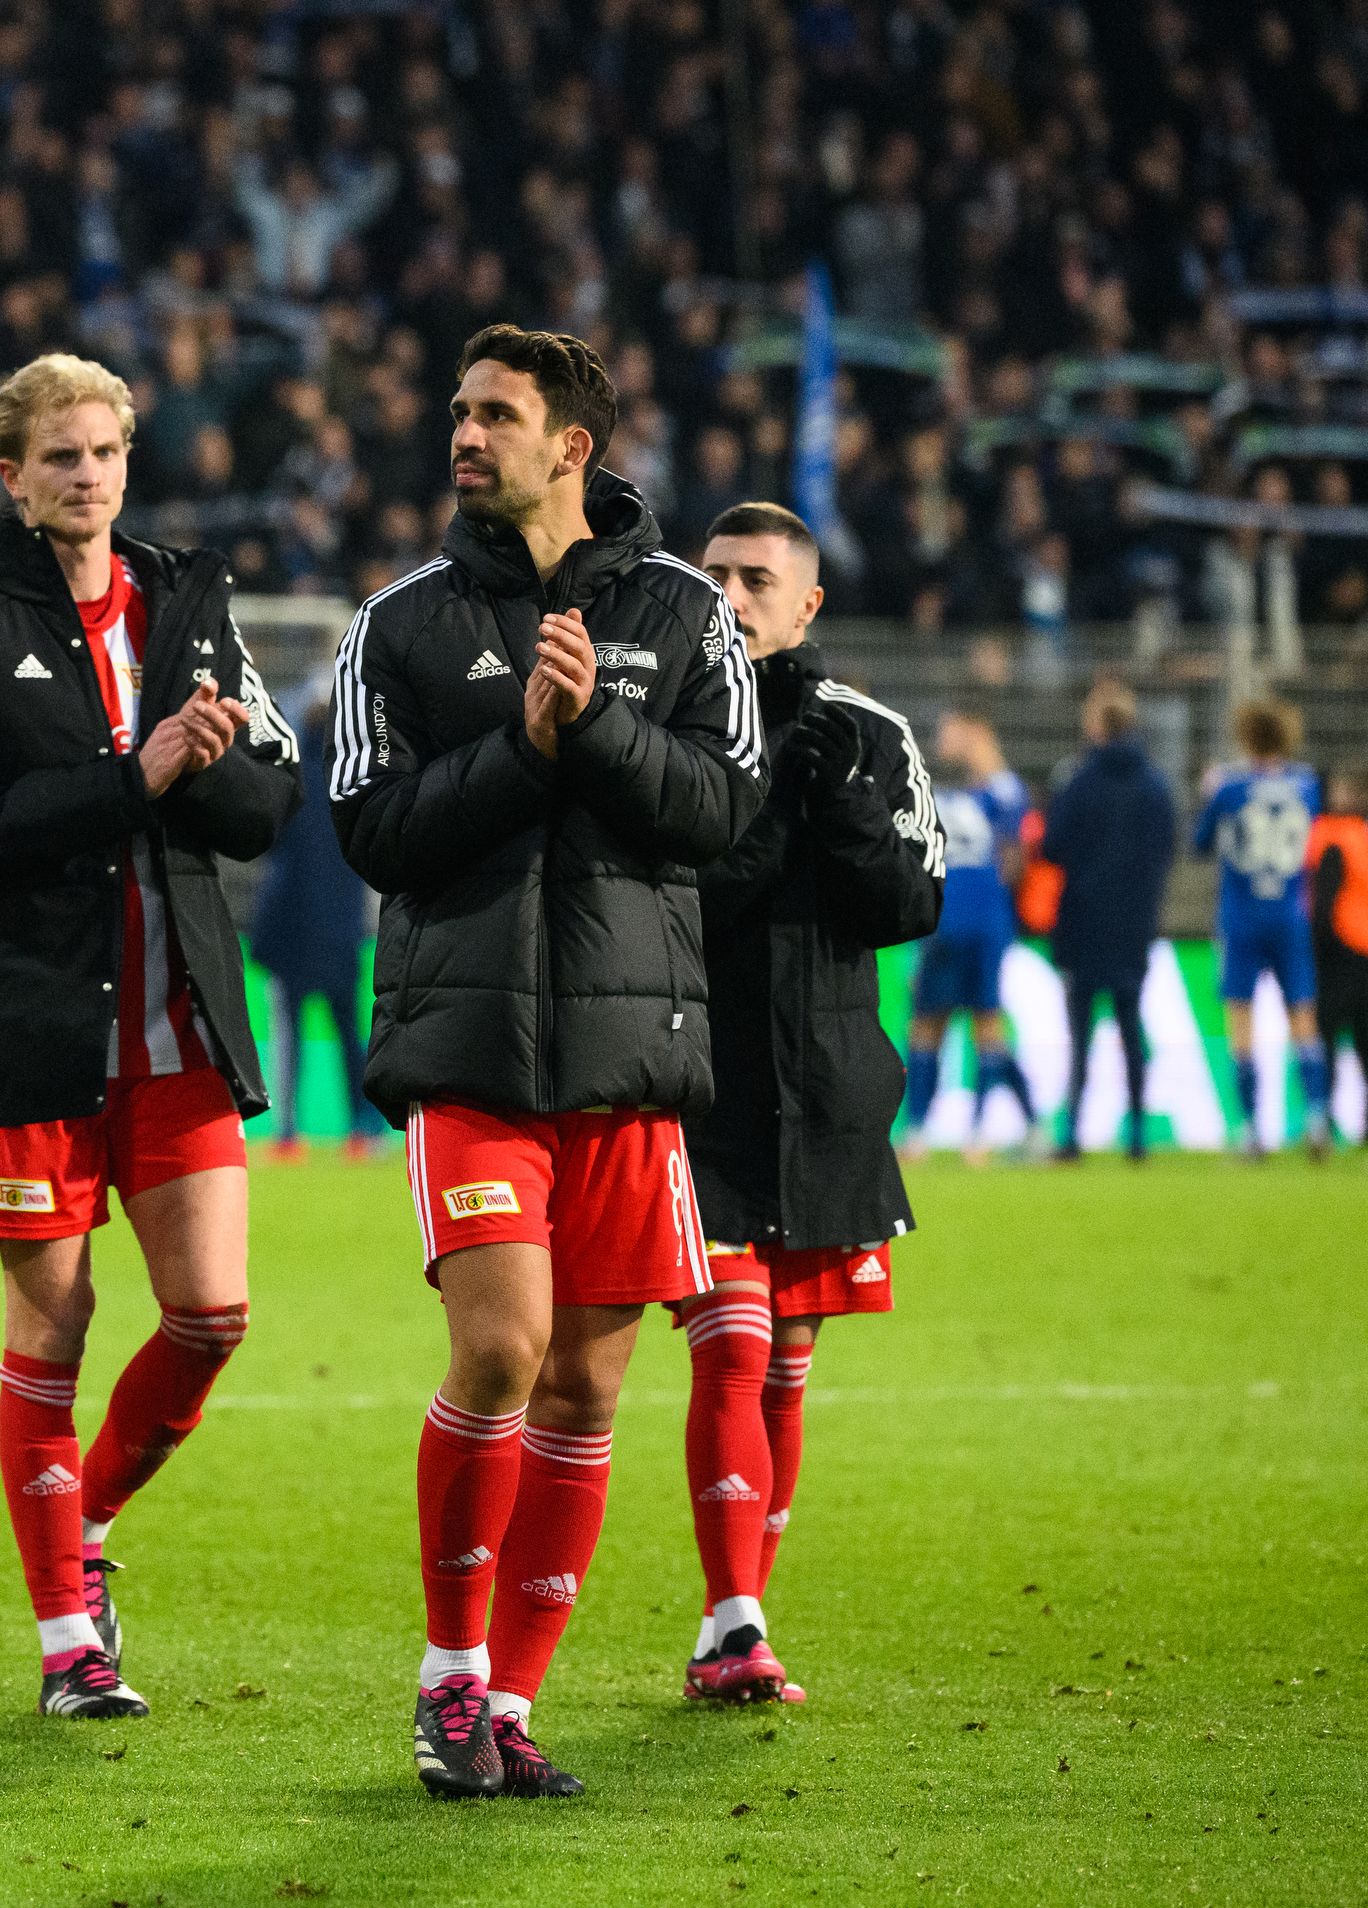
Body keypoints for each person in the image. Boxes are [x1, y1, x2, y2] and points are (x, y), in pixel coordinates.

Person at [326, 324, 763, 1800]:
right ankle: (449, 1677)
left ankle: (509, 1705)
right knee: (503, 1347)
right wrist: (525, 745)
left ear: (570, 442)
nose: (464, 434)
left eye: (494, 414)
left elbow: (721, 815)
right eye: (457, 411)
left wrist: (600, 733)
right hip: (470, 1050)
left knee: (583, 1389)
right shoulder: (400, 624)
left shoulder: (690, 614)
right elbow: (368, 833)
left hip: (631, 1057)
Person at [0, 353, 299, 1722]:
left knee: (214, 1313)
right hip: (37, 1032)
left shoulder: (190, 598)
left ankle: (82, 1522)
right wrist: (142, 775)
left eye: (105, 453)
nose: (87, 476)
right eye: (59, 457)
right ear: (10, 476)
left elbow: (265, 802)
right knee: (52, 1333)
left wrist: (220, 757)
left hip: (178, 1018)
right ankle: (71, 1642)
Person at [677, 503, 941, 1705]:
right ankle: (737, 1621)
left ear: (806, 604)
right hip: (702, 1091)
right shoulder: (664, 725)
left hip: (829, 1094)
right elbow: (675, 901)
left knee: (785, 1362)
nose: (731, 595)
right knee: (731, 1347)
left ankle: (735, 1616)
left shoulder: (868, 733)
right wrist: (772, 794)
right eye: (715, 574)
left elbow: (909, 901)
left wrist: (836, 806)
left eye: (755, 579)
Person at [1039, 682, 1177, 1161]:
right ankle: (1137, 1134)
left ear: (1096, 726)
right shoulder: (1155, 784)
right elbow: (1167, 847)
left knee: (1080, 1033)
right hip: (1134, 923)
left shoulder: (1080, 781)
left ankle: (1072, 1133)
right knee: (1130, 1026)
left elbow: (1052, 846)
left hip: (1083, 920)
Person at [252, 685, 386, 1161]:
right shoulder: (352, 779)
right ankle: (360, 1128)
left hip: (292, 935)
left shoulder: (288, 782)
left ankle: (288, 1132)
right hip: (337, 933)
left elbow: (266, 846)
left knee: (293, 1038)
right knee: (349, 1035)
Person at [1193, 700, 1330, 1160]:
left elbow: (1199, 843)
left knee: (1242, 1021)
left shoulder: (1229, 788)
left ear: (1245, 736)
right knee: (1302, 1017)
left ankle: (1251, 1130)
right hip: (1290, 913)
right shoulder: (1307, 785)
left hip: (1242, 915)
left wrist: (1209, 790)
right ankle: (1316, 1119)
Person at [903, 713, 1036, 1162]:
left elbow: (1016, 861)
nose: (942, 740)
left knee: (984, 1023)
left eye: (951, 731)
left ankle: (977, 1131)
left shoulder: (1000, 789)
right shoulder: (940, 787)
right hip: (949, 926)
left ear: (976, 732)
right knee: (931, 1024)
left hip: (975, 923)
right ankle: (922, 1129)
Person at [1308, 770, 1368, 1142]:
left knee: (1326, 1035)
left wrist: (1316, 947)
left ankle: (1324, 1119)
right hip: (1363, 949)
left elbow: (1324, 900)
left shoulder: (1328, 836)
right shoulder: (1361, 834)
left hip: (1338, 949)